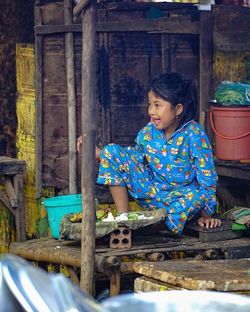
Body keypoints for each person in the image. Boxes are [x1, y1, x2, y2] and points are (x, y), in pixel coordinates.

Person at [77, 72, 221, 235]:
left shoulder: (194, 134)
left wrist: (206, 215)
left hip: (182, 200)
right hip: (152, 195)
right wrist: (99, 153)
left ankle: (160, 225)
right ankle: (125, 221)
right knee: (112, 151)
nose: (151, 111)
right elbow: (131, 160)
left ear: (178, 109)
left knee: (196, 196)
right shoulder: (147, 132)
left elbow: (207, 177)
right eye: (149, 104)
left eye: (157, 105)